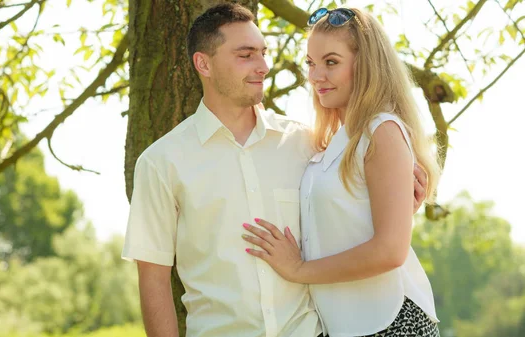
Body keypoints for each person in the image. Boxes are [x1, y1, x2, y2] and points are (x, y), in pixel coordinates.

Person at [122, 4, 426, 337]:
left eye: (263, 53)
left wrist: (400, 200)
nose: (263, 66)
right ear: (204, 64)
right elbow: (153, 280)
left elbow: (351, 212)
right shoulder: (162, 161)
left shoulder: (308, 145)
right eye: (246, 55)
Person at [242, 7, 441, 337]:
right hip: (349, 326)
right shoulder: (335, 142)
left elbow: (391, 251)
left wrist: (298, 269)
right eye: (311, 63)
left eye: (331, 62)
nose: (316, 75)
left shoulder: (382, 129)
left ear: (364, 64)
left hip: (392, 324)